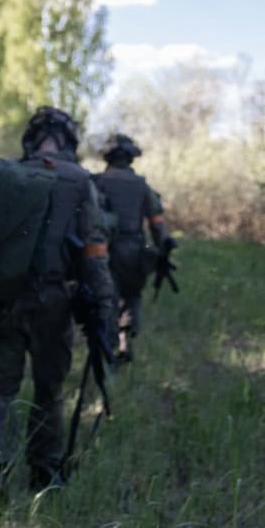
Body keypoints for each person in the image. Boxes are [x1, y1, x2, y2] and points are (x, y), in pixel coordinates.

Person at [0, 107, 116, 518]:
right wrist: (104, 307)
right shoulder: (79, 180)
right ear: (69, 141)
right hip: (54, 301)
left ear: (31, 139)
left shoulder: (4, 174)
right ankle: (46, 473)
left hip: (0, 299)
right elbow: (94, 251)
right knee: (49, 390)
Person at [92, 133, 174, 363]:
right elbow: (157, 224)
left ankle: (107, 351)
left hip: (104, 250)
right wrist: (162, 250)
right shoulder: (141, 185)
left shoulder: (97, 182)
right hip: (135, 250)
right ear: (131, 158)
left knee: (107, 297)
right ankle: (125, 341)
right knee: (132, 295)